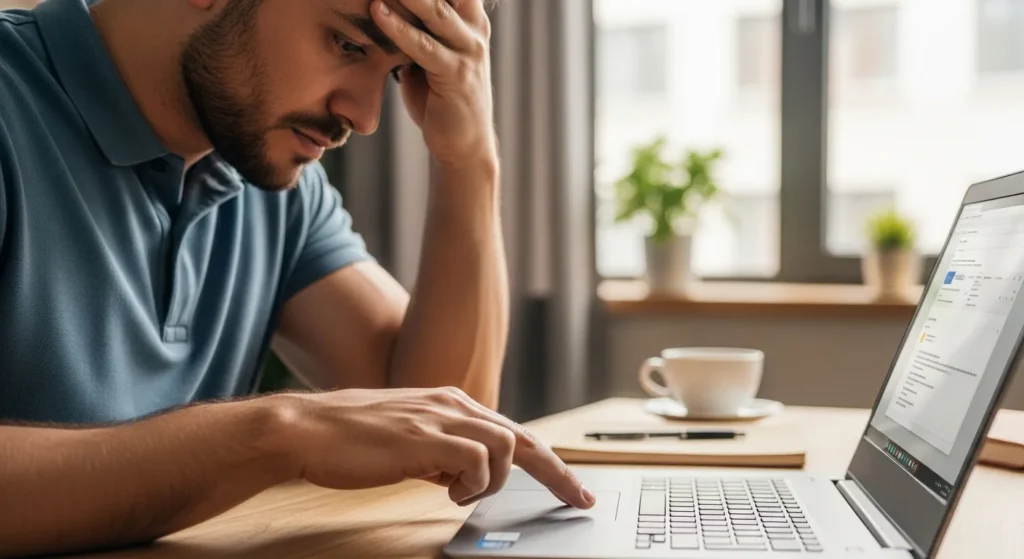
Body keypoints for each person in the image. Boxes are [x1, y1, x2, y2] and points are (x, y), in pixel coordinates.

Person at [0, 0, 596, 555]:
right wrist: (276, 434)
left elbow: (439, 424)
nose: (363, 119)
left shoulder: (271, 181)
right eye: (347, 44)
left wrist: (468, 156)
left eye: (396, 73)